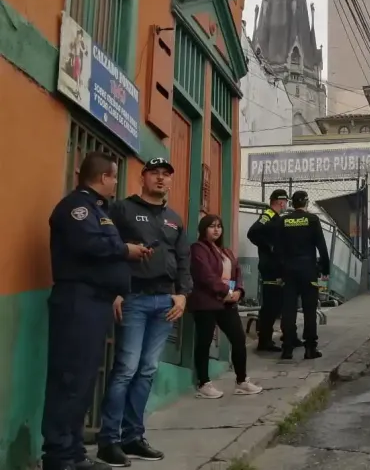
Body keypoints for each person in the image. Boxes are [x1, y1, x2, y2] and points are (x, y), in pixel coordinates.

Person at [41, 152, 152, 470]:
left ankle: (74, 452)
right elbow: (88, 245)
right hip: (78, 301)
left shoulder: (97, 209)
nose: (116, 183)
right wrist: (125, 249)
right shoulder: (76, 208)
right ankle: (59, 456)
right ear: (104, 177)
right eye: (114, 177)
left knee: (84, 381)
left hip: (96, 302)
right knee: (70, 379)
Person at [96, 157, 192, 467]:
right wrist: (115, 290)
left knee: (147, 369)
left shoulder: (174, 219)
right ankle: (108, 441)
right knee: (126, 368)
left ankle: (133, 437)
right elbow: (108, 250)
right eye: (154, 173)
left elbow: (183, 259)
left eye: (166, 174)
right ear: (143, 177)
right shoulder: (122, 209)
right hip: (133, 298)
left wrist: (182, 295)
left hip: (165, 302)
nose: (161, 179)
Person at [189, 214, 262, 399]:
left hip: (227, 303)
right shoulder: (198, 249)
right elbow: (205, 275)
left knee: (238, 338)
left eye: (219, 226)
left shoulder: (226, 251)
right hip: (206, 303)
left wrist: (238, 291)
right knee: (204, 342)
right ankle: (203, 383)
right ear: (203, 229)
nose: (216, 230)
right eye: (212, 226)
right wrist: (226, 292)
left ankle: (242, 381)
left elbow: (237, 273)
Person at [268, 191, 330, 360]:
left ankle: (287, 348)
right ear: (306, 203)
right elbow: (322, 247)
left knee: (288, 310)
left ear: (292, 203)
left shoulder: (284, 221)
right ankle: (310, 348)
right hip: (308, 270)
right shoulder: (312, 220)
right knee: (309, 310)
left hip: (289, 271)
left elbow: (277, 250)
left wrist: (279, 272)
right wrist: (325, 269)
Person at [247, 189, 290, 353]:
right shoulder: (269, 215)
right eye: (285, 202)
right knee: (271, 306)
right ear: (280, 202)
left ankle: (267, 338)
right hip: (270, 268)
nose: (286, 205)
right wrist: (269, 246)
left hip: (275, 266)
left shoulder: (277, 218)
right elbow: (253, 232)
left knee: (275, 305)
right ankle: (264, 341)